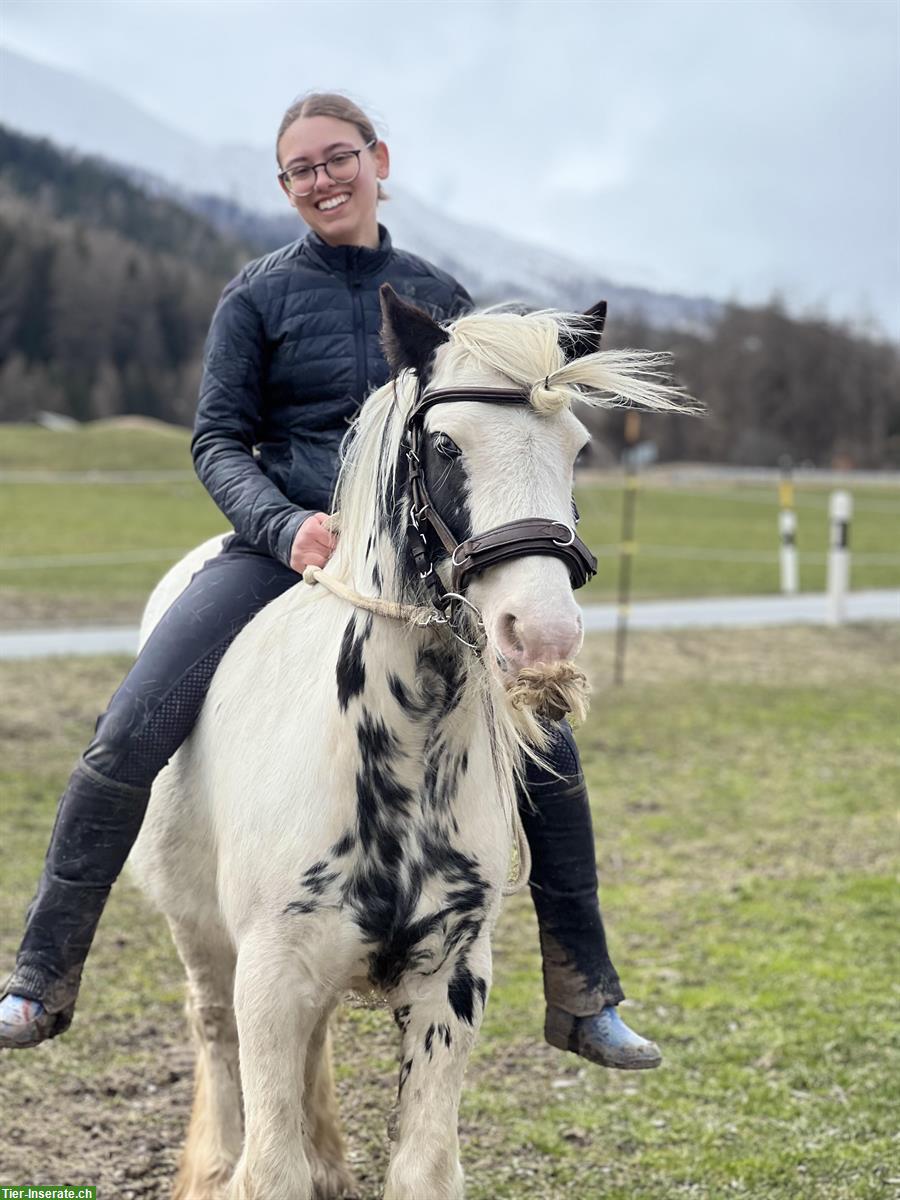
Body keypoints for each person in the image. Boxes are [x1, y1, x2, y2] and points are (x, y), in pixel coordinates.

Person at [0, 93, 660, 1071]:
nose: (322, 179)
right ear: (285, 188)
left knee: (547, 744)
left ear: (378, 159)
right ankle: (40, 977)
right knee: (129, 727)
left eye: (336, 158)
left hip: (416, 575)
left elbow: (485, 438)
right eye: (299, 169)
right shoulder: (255, 297)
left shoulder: (439, 292)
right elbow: (217, 441)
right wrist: (283, 524)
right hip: (281, 556)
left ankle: (584, 996)